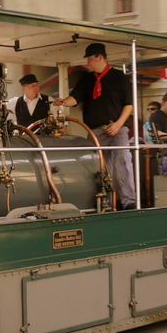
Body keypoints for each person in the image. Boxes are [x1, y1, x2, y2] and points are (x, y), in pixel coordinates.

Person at [54, 42, 136, 209]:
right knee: (94, 165)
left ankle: (129, 201)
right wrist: (63, 102)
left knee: (123, 160)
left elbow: (129, 104)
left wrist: (118, 124)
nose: (87, 63)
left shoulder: (119, 77)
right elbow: (75, 98)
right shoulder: (86, 80)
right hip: (95, 131)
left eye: (90, 59)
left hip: (117, 128)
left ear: (100, 57)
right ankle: (102, 200)